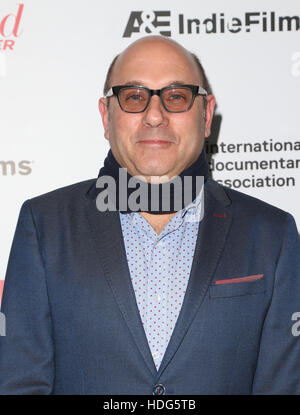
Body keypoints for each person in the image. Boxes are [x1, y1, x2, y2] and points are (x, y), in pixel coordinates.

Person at [0, 35, 299, 395]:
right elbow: (19, 384)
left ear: (206, 115)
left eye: (176, 96)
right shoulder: (44, 226)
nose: (154, 116)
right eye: (134, 97)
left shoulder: (272, 235)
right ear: (105, 116)